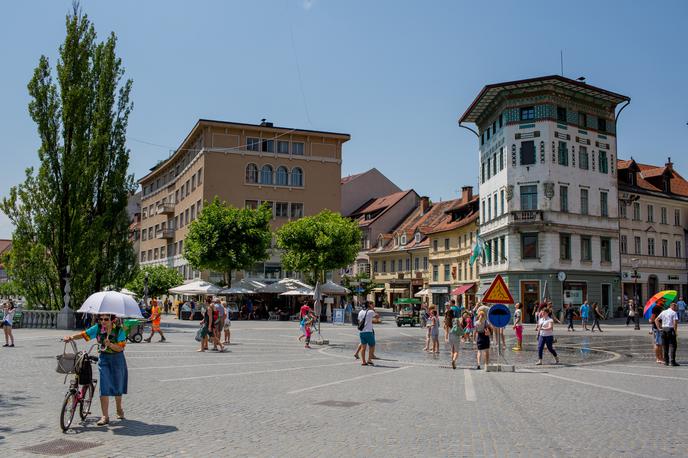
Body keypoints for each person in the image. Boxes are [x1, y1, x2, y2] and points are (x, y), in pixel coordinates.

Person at [63, 314, 128, 426]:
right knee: (104, 386)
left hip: (117, 359)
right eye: (101, 319)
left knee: (118, 385)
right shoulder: (98, 328)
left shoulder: (119, 330)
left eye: (106, 319)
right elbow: (84, 334)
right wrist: (71, 337)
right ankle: (105, 416)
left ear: (112, 320)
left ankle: (119, 408)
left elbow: (121, 347)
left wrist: (111, 345)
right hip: (104, 359)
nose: (103, 321)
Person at [655, 302, 680, 366]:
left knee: (665, 346)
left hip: (663, 329)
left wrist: (659, 328)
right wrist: (675, 331)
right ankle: (672, 361)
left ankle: (666, 362)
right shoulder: (674, 313)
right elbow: (675, 323)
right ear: (673, 306)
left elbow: (656, 320)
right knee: (673, 345)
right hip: (670, 329)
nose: (676, 308)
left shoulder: (663, 312)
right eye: (676, 307)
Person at [357, 302, 377, 366]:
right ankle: (369, 359)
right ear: (369, 305)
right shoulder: (370, 311)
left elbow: (359, 321)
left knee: (363, 347)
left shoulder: (360, 312)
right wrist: (372, 309)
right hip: (368, 331)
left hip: (361, 332)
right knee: (372, 345)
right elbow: (377, 316)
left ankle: (363, 361)